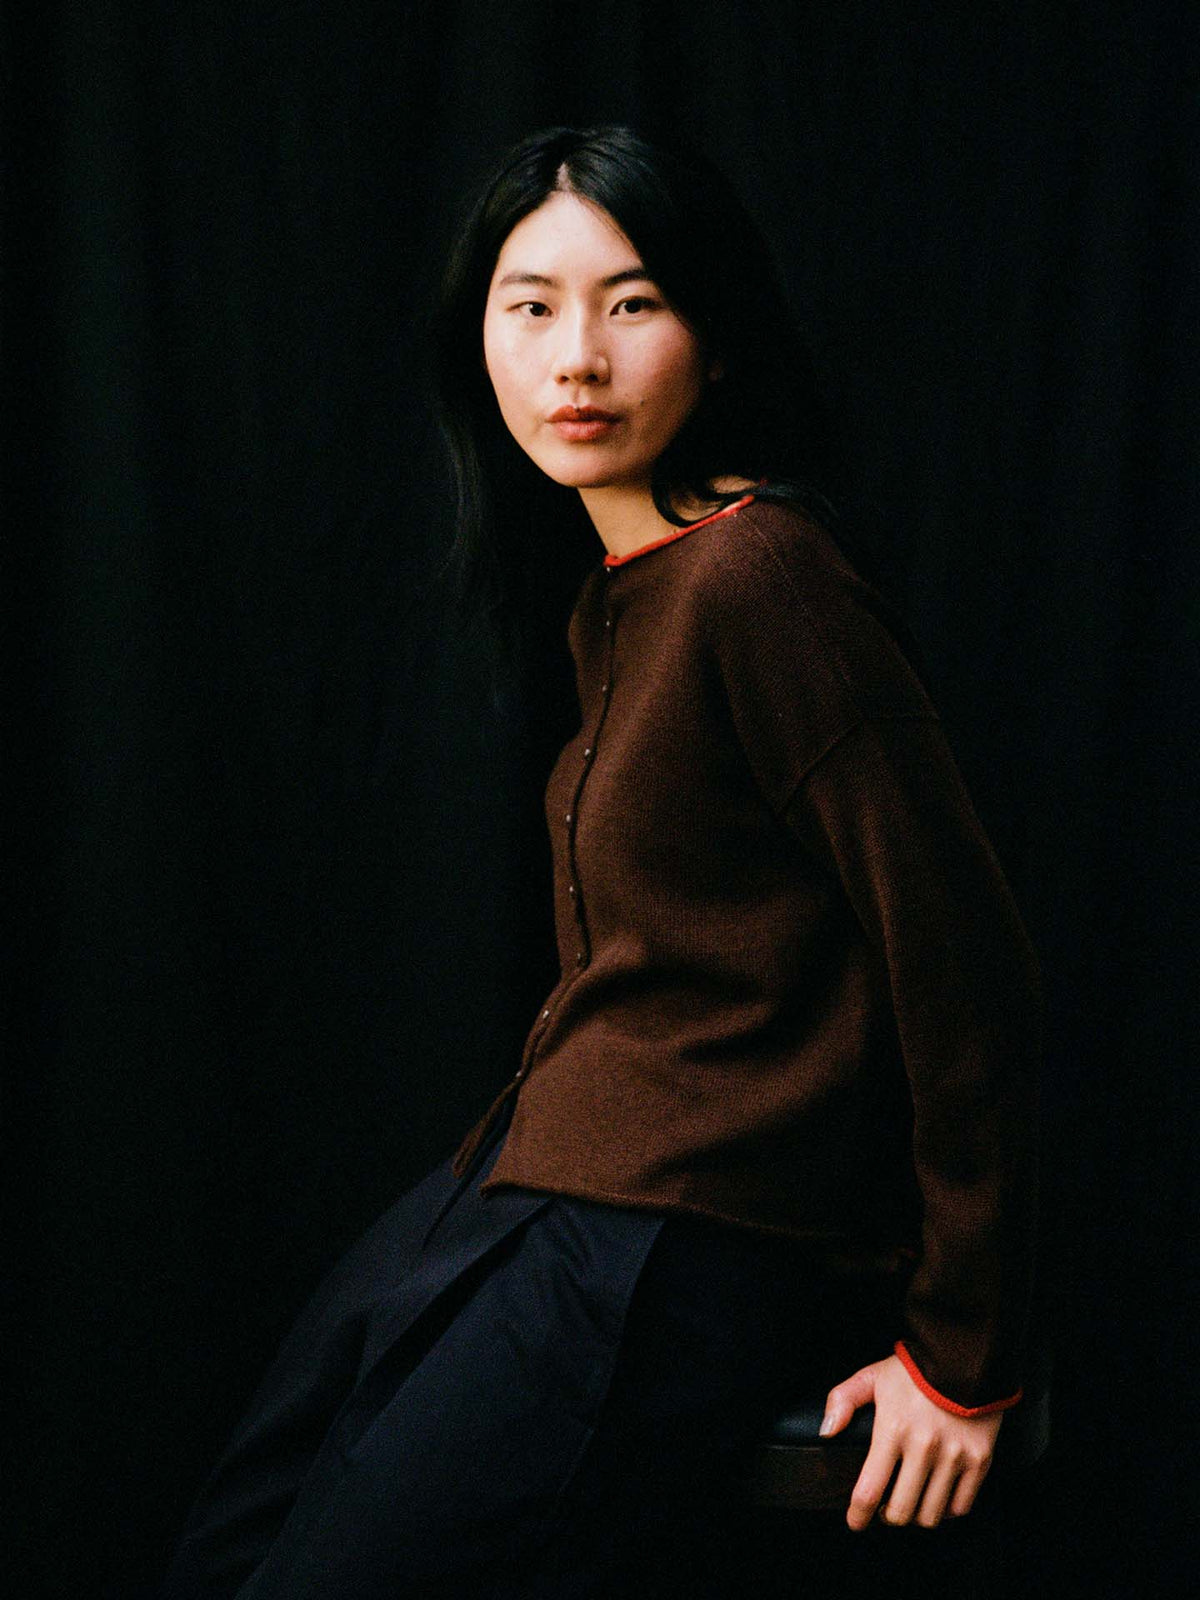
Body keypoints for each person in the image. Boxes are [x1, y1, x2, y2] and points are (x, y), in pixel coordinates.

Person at [158, 123, 1041, 1600]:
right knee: (233, 1552)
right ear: (480, 342)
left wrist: (965, 1351)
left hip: (675, 1233)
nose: (578, 357)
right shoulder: (620, 596)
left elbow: (963, 964)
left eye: (632, 303)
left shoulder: (762, 580)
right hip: (525, 1185)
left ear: (713, 329)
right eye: (532, 306)